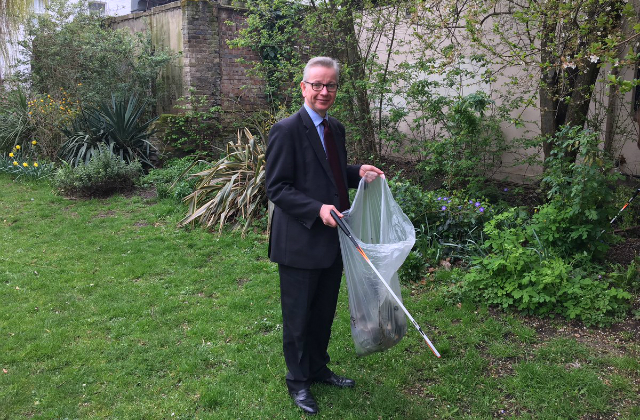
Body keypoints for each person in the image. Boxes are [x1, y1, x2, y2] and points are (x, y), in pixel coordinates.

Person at [265, 56, 384, 415]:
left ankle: (317, 368)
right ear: (303, 87)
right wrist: (316, 210)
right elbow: (278, 187)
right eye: (316, 84)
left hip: (334, 240)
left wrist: (355, 172)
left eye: (330, 85)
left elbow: (328, 172)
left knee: (322, 313)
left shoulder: (337, 128)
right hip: (300, 241)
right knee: (299, 316)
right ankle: (298, 382)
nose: (324, 91)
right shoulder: (286, 130)